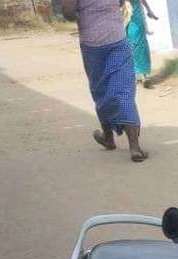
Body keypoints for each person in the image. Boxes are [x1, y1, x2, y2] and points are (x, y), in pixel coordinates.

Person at [62, 0, 148, 163]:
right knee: (124, 92)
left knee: (100, 90)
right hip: (117, 38)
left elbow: (68, 13)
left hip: (92, 44)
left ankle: (108, 138)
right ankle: (134, 147)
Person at [123, 0, 159, 88]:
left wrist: (149, 11)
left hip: (136, 16)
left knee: (139, 44)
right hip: (123, 17)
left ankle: (143, 76)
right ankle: (135, 74)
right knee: (128, 45)